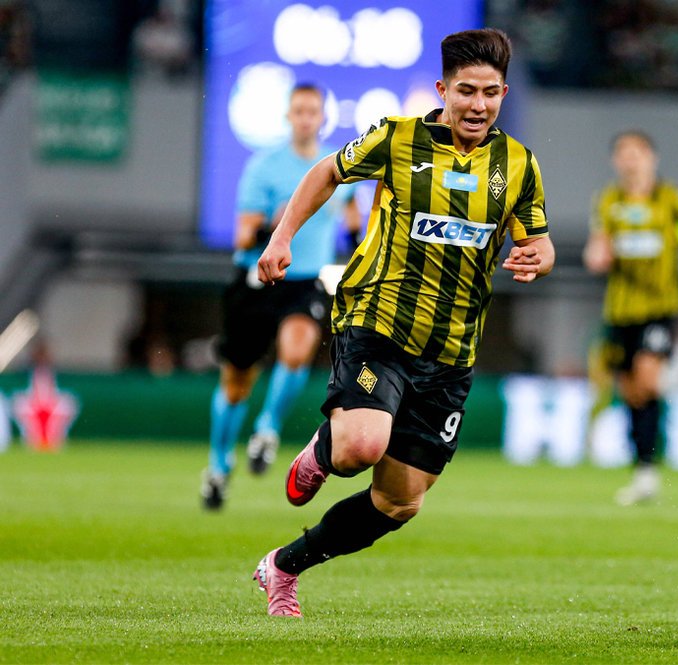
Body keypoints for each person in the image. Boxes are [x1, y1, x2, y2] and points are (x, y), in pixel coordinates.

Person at [250, 28, 554, 617]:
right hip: (379, 322)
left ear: (504, 93)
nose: (478, 105)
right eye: (466, 91)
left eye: (490, 93)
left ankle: (283, 566)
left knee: (400, 502)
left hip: (452, 353)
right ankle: (325, 450)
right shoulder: (397, 137)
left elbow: (538, 241)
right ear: (443, 90)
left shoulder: (518, 164)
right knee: (362, 446)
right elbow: (326, 172)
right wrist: (282, 236)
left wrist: (538, 257)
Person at [201, 83, 357, 511]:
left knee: (298, 350)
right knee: (236, 384)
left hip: (304, 282)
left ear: (322, 118)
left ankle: (267, 429)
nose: (305, 118)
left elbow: (351, 217)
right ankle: (218, 465)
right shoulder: (264, 167)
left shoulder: (336, 168)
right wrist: (282, 219)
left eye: (312, 111)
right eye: (299, 111)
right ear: (289, 117)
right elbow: (243, 235)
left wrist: (358, 238)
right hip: (258, 280)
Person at [583, 131, 678, 506]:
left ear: (652, 158)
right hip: (620, 312)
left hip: (661, 309)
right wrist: (597, 255)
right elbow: (598, 245)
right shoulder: (609, 201)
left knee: (647, 381)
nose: (631, 159)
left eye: (638, 152)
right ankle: (644, 472)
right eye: (623, 153)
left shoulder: (674, 200)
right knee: (632, 392)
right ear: (615, 161)